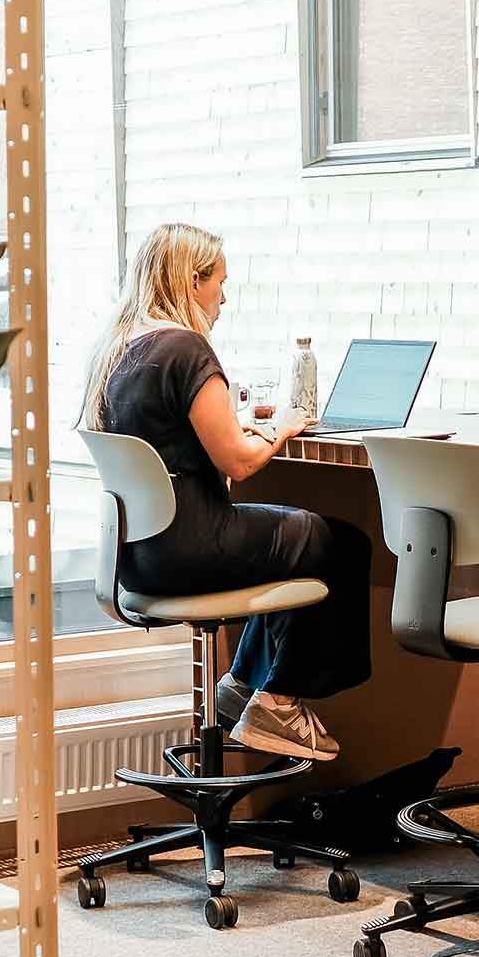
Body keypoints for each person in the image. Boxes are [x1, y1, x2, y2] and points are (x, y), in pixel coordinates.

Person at [81, 223, 373, 761]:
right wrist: (284, 425)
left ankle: (243, 685)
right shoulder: (185, 349)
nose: (224, 297)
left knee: (289, 540)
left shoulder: (115, 352)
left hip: (140, 558)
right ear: (191, 282)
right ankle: (280, 699)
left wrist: (237, 424)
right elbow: (237, 461)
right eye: (219, 282)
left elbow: (174, 440)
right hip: (195, 546)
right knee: (341, 543)